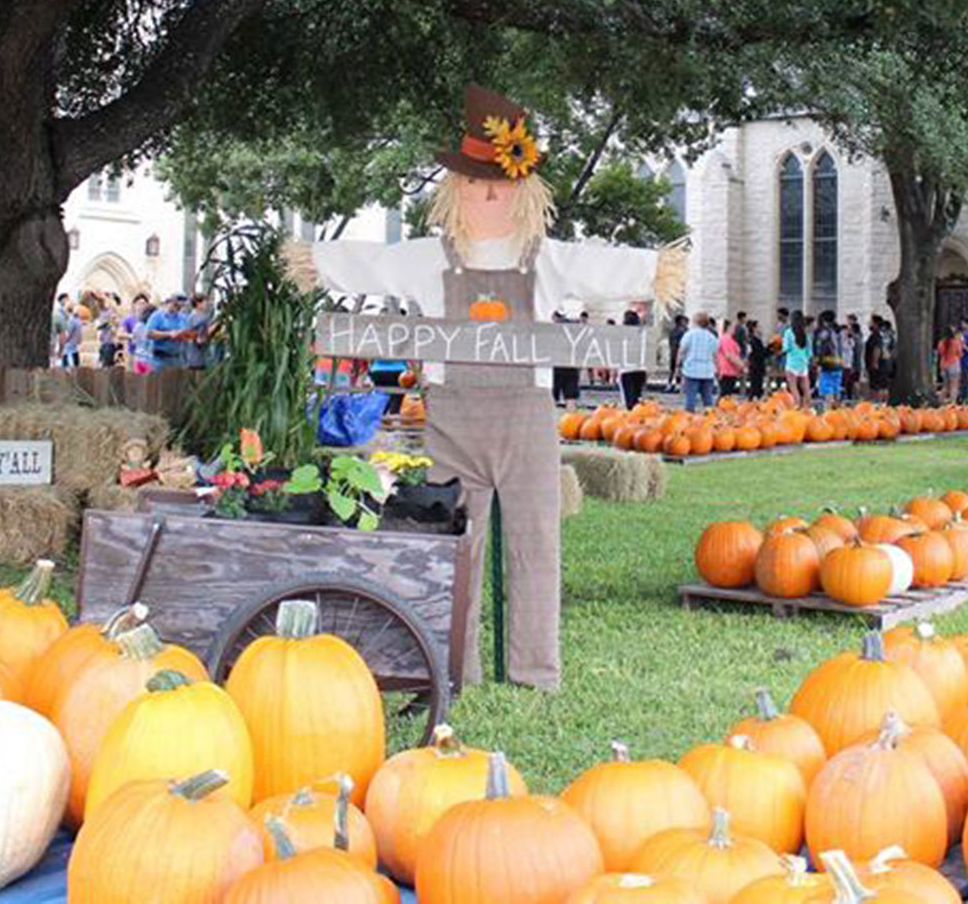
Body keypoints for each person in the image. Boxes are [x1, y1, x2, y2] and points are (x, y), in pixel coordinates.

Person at [287, 85, 680, 690]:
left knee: (536, 544)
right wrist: (314, 258)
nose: (488, 193)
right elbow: (371, 262)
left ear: (523, 189)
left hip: (527, 421)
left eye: (499, 181)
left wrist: (651, 270)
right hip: (453, 422)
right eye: (474, 182)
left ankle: (535, 670)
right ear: (455, 189)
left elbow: (593, 266)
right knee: (453, 545)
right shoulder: (427, 258)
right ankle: (455, 667)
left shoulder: (542, 258)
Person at [677, 312, 720, 412]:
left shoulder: (689, 335)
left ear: (695, 322)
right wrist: (718, 369)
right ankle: (709, 420)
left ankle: (689, 420)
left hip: (691, 370)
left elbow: (681, 351)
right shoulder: (712, 337)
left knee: (690, 398)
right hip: (708, 371)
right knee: (708, 399)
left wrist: (678, 367)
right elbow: (715, 356)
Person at [617, 306, 647, 408]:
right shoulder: (643, 334)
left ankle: (630, 420)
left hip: (626, 369)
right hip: (640, 369)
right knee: (637, 398)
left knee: (627, 400)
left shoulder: (621, 336)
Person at [813, 310, 843, 404]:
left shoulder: (824, 332)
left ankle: (829, 412)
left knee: (827, 389)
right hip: (838, 362)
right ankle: (839, 413)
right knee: (836, 389)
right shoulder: (838, 331)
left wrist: (817, 361)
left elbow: (821, 347)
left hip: (827, 363)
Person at [782, 315, 811, 403]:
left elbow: (786, 348)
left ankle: (796, 409)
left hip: (792, 364)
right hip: (803, 364)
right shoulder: (805, 333)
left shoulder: (788, 332)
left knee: (794, 388)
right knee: (806, 389)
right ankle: (807, 409)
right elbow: (809, 352)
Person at [714, 316, 745, 398]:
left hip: (729, 371)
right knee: (725, 395)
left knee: (726, 395)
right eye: (732, 327)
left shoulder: (726, 339)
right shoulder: (726, 339)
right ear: (728, 327)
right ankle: (720, 409)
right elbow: (730, 356)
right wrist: (742, 366)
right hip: (727, 371)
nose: (734, 329)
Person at [937, 325, 964, 403]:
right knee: (954, 385)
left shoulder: (941, 342)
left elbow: (940, 352)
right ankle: (952, 403)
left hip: (943, 364)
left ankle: (940, 402)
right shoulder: (956, 342)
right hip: (954, 364)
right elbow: (960, 354)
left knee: (945, 386)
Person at [745, 318, 769, 399]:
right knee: (755, 389)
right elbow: (760, 354)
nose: (761, 328)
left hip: (757, 367)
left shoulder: (757, 340)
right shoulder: (753, 341)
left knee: (757, 389)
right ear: (754, 328)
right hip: (756, 368)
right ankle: (752, 406)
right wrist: (770, 349)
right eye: (759, 327)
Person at [665, 313, 688, 392]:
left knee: (672, 370)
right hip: (680, 353)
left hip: (673, 352)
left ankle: (669, 385)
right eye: (685, 321)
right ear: (681, 322)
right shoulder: (684, 331)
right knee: (680, 369)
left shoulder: (672, 331)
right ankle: (678, 385)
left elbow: (671, 342)